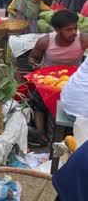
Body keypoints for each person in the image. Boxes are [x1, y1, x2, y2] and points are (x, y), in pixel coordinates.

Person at [28, 10, 88, 144]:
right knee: (38, 100)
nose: (73, 32)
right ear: (57, 30)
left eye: (75, 28)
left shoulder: (82, 39)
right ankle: (40, 132)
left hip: (71, 81)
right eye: (68, 29)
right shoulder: (45, 41)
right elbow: (33, 57)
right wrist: (34, 64)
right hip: (48, 80)